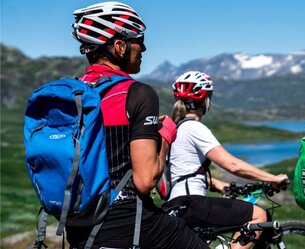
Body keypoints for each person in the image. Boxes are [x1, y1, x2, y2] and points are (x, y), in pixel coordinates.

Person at [66, 2, 208, 248]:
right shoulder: (136, 93)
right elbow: (146, 179)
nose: (143, 47)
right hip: (129, 221)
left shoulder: (72, 94)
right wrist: (165, 134)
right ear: (120, 46)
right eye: (138, 39)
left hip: (78, 225)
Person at [162, 71, 289, 249]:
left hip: (176, 205)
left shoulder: (176, 129)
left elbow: (183, 170)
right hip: (194, 203)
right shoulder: (194, 128)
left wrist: (217, 184)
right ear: (205, 100)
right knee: (259, 215)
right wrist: (272, 178)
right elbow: (233, 165)